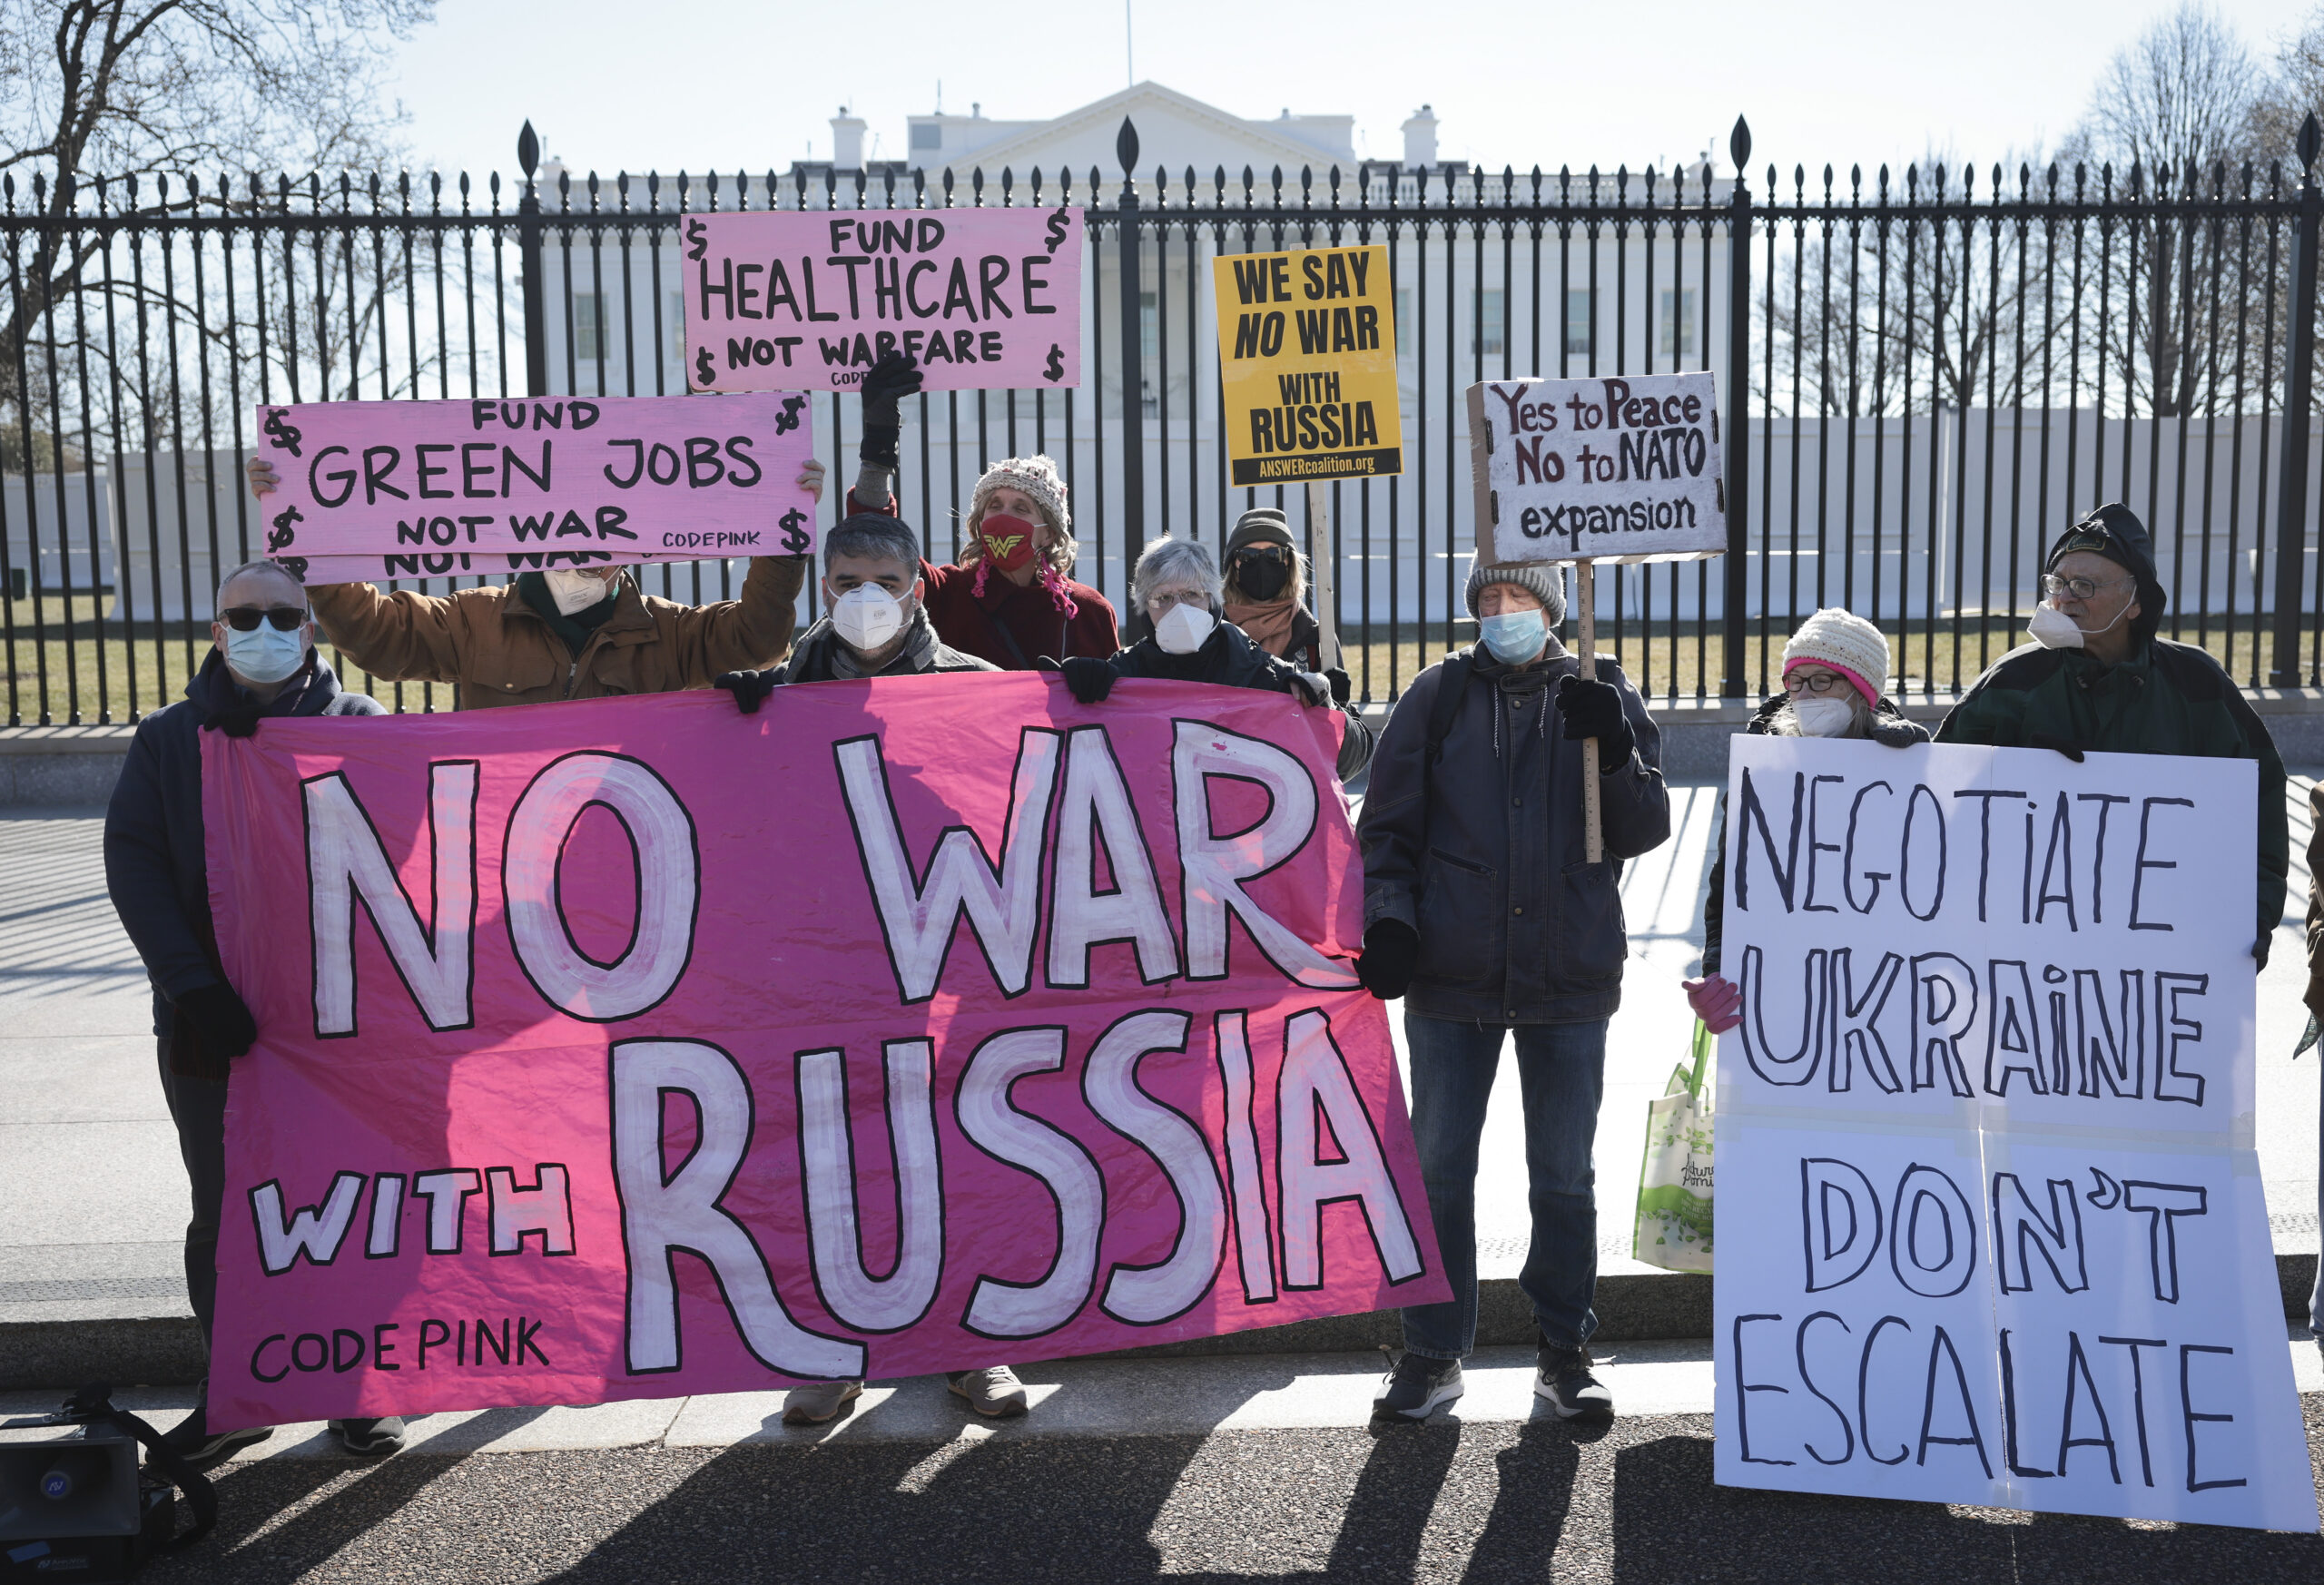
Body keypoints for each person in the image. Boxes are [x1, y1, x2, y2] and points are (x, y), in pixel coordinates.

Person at [711, 513, 1031, 1424]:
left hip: (947, 965)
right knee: (831, 1159)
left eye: (882, 583)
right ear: (822, 588)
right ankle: (831, 1349)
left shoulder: (978, 691)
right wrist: (731, 731)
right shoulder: (771, 702)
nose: (864, 600)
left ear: (915, 589)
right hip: (824, 973)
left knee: (961, 1153)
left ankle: (977, 1348)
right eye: (845, 579)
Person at [1354, 561, 1669, 1425]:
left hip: (1568, 972)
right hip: (1451, 977)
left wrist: (1612, 748)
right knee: (1439, 1170)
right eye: (1488, 601)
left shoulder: (1604, 689)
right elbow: (1385, 829)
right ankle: (1431, 1350)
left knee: (1564, 1176)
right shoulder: (1437, 695)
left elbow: (1642, 827)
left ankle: (1565, 1350)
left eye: (1519, 600)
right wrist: (1389, 922)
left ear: (1554, 609)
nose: (1503, 615)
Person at [103, 561, 399, 1468]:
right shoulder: (168, 740)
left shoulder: (368, 730)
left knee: (354, 1202)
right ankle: (238, 1389)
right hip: (210, 1022)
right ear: (217, 629)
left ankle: (357, 1389)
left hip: (346, 1022)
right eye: (245, 616)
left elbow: (415, 853)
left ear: (309, 631)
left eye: (282, 615)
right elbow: (136, 865)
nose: (263, 629)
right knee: (225, 1208)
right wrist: (193, 985)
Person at [1936, 503, 2287, 964]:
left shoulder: (2197, 685)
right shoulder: (2010, 683)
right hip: (2030, 944)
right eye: (2057, 583)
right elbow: (1937, 800)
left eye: (2085, 585)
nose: (2065, 598)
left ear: (2135, 601)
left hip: (2163, 948)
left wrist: (2253, 914)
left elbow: (2256, 801)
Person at [243, 456, 822, 706]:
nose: (589, 550)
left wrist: (784, 531)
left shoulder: (668, 632)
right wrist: (311, 530)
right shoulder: (472, 620)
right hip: (504, 852)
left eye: (608, 531)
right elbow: (377, 636)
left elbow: (759, 638)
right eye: (572, 527)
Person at [1682, 607, 1927, 1034]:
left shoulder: (1901, 765)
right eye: (1795, 681)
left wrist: (1922, 771)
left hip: (1880, 988)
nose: (1804, 695)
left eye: (1821, 680)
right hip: (1788, 983)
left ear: (1859, 690)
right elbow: (1730, 883)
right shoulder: (1764, 767)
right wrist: (1718, 966)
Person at [842, 352, 1118, 668]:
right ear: (979, 521)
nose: (1003, 517)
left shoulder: (1089, 612)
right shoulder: (946, 594)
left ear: (1049, 533)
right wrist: (879, 441)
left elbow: (1120, 707)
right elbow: (874, 543)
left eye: (1021, 508)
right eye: (994, 506)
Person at [1056, 535, 1372, 781]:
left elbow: (1348, 762)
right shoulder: (1123, 675)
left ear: (1212, 600)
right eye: (1163, 598)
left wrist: (1325, 705)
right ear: (1144, 609)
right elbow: (1060, 764)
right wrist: (1068, 697)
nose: (1179, 609)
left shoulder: (1261, 673)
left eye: (1191, 594)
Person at [1218, 505, 1342, 681]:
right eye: (1248, 555)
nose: (1262, 564)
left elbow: (1336, 707)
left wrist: (1336, 696)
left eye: (1274, 554)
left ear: (1289, 563)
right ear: (1233, 567)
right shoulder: (1212, 632)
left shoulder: (1316, 637)